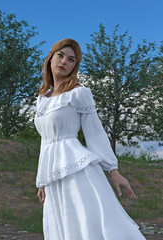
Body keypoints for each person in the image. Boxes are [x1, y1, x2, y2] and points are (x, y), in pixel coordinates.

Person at [34, 38, 146, 240]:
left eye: (71, 60)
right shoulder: (42, 100)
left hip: (76, 168)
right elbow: (46, 141)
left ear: (74, 67)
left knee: (88, 222)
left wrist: (113, 170)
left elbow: (94, 132)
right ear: (50, 58)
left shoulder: (79, 93)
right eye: (60, 55)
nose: (64, 61)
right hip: (52, 173)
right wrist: (41, 181)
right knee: (62, 227)